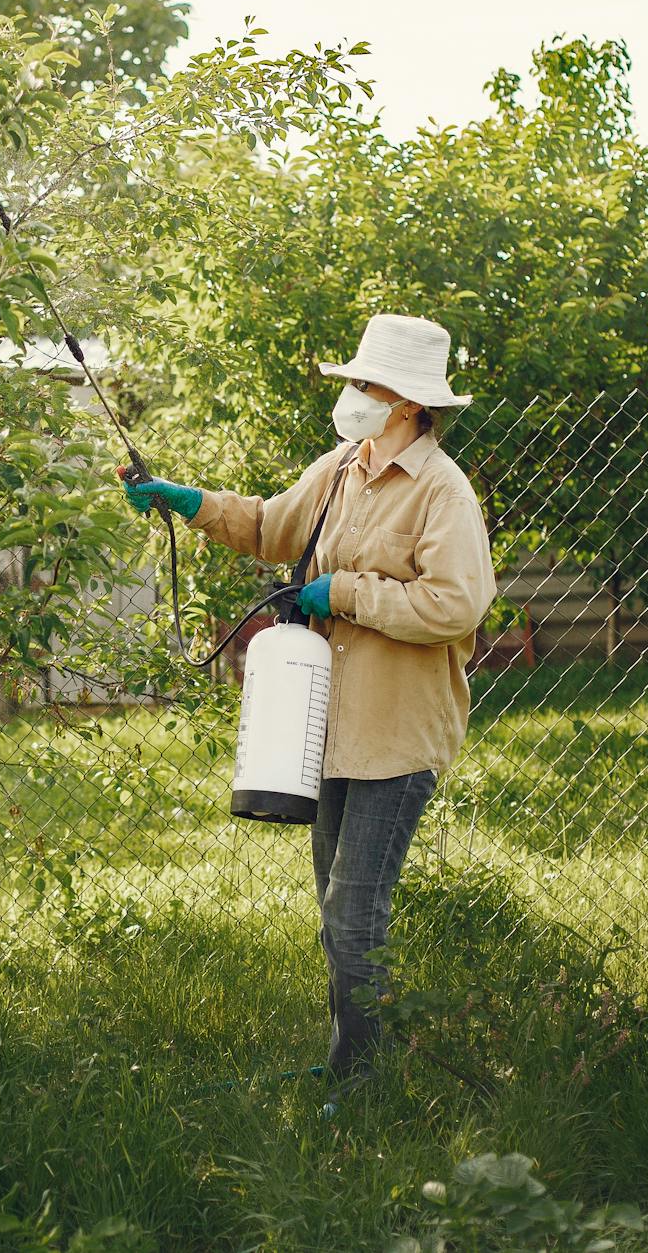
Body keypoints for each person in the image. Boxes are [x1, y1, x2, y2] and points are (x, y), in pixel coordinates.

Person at [122, 313, 496, 1084]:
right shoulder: (339, 468)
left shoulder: (442, 493)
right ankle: (353, 1064)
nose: (353, 394)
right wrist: (183, 500)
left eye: (366, 384)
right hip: (330, 728)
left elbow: (457, 605)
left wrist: (347, 591)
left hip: (398, 736)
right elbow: (266, 524)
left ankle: (363, 1082)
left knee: (355, 916)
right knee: (336, 908)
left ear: (406, 403)